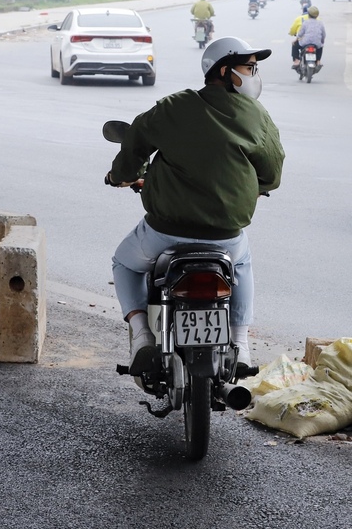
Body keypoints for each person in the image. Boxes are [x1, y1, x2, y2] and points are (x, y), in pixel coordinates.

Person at [105, 37, 285, 375]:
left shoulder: (174, 106)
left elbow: (134, 147)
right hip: (225, 237)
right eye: (249, 68)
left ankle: (143, 335)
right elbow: (272, 174)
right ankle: (241, 345)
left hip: (164, 234)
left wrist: (120, 176)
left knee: (125, 264)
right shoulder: (257, 115)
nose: (254, 74)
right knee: (242, 263)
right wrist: (250, 187)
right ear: (224, 71)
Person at [294, 5, 326, 69]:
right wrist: (322, 41)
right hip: (316, 43)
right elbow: (323, 34)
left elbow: (300, 34)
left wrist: (296, 39)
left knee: (294, 45)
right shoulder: (320, 23)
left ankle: (297, 60)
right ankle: (318, 61)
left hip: (305, 42)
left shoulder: (305, 23)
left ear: (308, 14)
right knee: (320, 47)